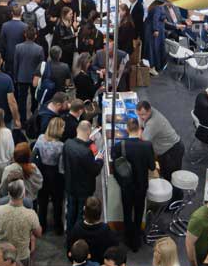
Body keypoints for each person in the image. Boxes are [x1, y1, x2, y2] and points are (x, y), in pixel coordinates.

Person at [112, 117, 155, 251]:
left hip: (126, 186)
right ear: (139, 129)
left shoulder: (119, 146)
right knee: (138, 212)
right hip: (141, 186)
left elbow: (115, 164)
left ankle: (128, 237)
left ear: (127, 129)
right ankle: (136, 241)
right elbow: (152, 167)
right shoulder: (147, 146)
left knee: (126, 212)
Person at [63, 122, 104, 233]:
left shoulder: (68, 143)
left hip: (70, 185)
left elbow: (79, 145)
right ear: (89, 132)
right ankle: (78, 235)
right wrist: (100, 160)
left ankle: (69, 233)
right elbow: (94, 170)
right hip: (84, 189)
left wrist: (89, 141)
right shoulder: (86, 152)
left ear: (77, 129)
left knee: (71, 211)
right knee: (81, 214)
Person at [0, 179, 41, 262]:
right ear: (24, 194)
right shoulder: (31, 214)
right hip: (22, 256)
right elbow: (38, 234)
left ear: (9, 194)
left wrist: (2, 230)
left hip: (2, 255)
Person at [33, 117, 67, 235]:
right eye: (63, 127)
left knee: (42, 201)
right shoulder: (61, 146)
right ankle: (58, 227)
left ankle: (42, 225)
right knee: (57, 202)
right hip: (56, 176)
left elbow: (34, 153)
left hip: (42, 173)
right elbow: (62, 167)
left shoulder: (40, 138)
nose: (64, 129)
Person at [137, 101, 183, 181]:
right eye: (139, 114)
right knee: (163, 172)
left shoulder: (153, 122)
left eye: (143, 114)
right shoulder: (147, 114)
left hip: (172, 151)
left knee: (170, 177)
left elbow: (143, 141)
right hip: (164, 150)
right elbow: (141, 126)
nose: (141, 117)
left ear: (149, 110)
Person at [69, 196, 118, 265]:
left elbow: (70, 249)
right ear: (100, 212)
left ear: (84, 210)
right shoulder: (105, 230)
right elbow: (114, 250)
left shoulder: (77, 228)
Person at [0, 142, 43, 207]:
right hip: (31, 202)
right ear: (29, 156)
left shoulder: (9, 169)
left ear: (15, 155)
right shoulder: (34, 168)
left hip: (13, 203)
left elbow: (2, 191)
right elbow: (39, 185)